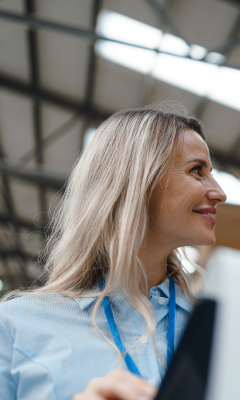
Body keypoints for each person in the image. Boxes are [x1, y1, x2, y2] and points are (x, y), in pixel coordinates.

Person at [0, 107, 226, 400]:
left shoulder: (220, 329)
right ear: (138, 179)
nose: (220, 192)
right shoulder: (15, 325)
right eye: (198, 170)